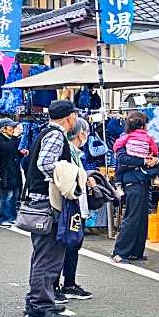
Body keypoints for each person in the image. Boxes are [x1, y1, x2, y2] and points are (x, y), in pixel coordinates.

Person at [22, 99, 80, 317]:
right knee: (48, 255)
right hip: (47, 202)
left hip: (39, 201)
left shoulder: (45, 132)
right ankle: (40, 306)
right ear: (70, 117)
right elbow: (45, 163)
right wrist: (69, 174)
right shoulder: (56, 135)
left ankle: (38, 300)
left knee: (43, 254)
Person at [54, 117, 95, 302]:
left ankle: (69, 283)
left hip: (77, 204)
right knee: (64, 245)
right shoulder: (67, 151)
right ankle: (55, 286)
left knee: (73, 245)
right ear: (81, 133)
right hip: (69, 205)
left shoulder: (75, 152)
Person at [111, 111, 159, 263]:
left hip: (142, 180)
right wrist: (145, 161)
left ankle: (136, 251)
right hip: (133, 181)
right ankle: (119, 252)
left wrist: (155, 161)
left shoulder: (143, 140)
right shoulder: (125, 140)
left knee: (142, 216)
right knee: (132, 216)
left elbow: (155, 155)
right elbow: (123, 158)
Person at [0, 118, 24, 227]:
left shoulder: (11, 139)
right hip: (5, 171)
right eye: (11, 127)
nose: (13, 129)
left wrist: (21, 153)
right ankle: (3, 218)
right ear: (3, 129)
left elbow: (14, 153)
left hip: (14, 171)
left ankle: (12, 217)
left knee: (14, 196)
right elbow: (6, 150)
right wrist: (15, 137)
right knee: (7, 196)